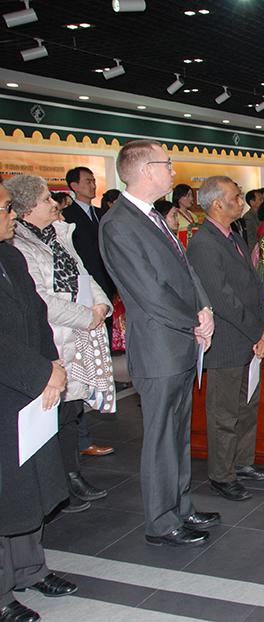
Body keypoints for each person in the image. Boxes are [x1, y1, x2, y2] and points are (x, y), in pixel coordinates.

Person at [99, 139, 219, 547]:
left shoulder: (151, 216)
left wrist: (204, 309)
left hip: (180, 340)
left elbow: (185, 271)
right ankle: (160, 520)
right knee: (160, 437)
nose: (173, 171)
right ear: (145, 170)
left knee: (179, 432)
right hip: (159, 345)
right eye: (167, 164)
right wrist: (193, 322)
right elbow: (149, 291)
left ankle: (181, 506)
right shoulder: (119, 224)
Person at [9, 173, 115, 515]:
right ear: (25, 210)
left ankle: (72, 474)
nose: (54, 204)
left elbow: (84, 273)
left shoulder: (60, 234)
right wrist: (87, 316)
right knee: (50, 419)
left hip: (78, 338)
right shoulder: (18, 247)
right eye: (45, 200)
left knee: (71, 413)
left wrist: (100, 305)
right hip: (52, 338)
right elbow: (42, 301)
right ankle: (56, 485)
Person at [0, 181, 78, 622]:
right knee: (5, 493)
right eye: (6, 208)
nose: (12, 215)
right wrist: (41, 373)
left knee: (28, 487)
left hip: (31, 389)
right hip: (10, 385)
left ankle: (31, 568)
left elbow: (36, 314)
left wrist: (53, 363)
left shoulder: (10, 255)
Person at [187, 176, 264, 501]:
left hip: (251, 337)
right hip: (227, 342)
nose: (242, 202)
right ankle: (222, 475)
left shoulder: (233, 235)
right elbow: (223, 300)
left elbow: (255, 286)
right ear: (217, 204)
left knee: (248, 404)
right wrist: (259, 332)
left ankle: (242, 462)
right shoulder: (203, 243)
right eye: (236, 198)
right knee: (224, 413)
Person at [61, 166, 115, 459]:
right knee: (79, 369)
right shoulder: (69, 217)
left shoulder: (99, 214)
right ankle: (79, 438)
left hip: (100, 297)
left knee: (97, 363)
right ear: (73, 185)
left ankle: (84, 429)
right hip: (80, 305)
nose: (93, 185)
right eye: (87, 181)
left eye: (95, 180)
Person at [239, 187, 264, 254]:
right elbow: (250, 241)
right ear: (252, 202)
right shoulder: (248, 218)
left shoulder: (263, 215)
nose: (263, 201)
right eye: (260, 199)